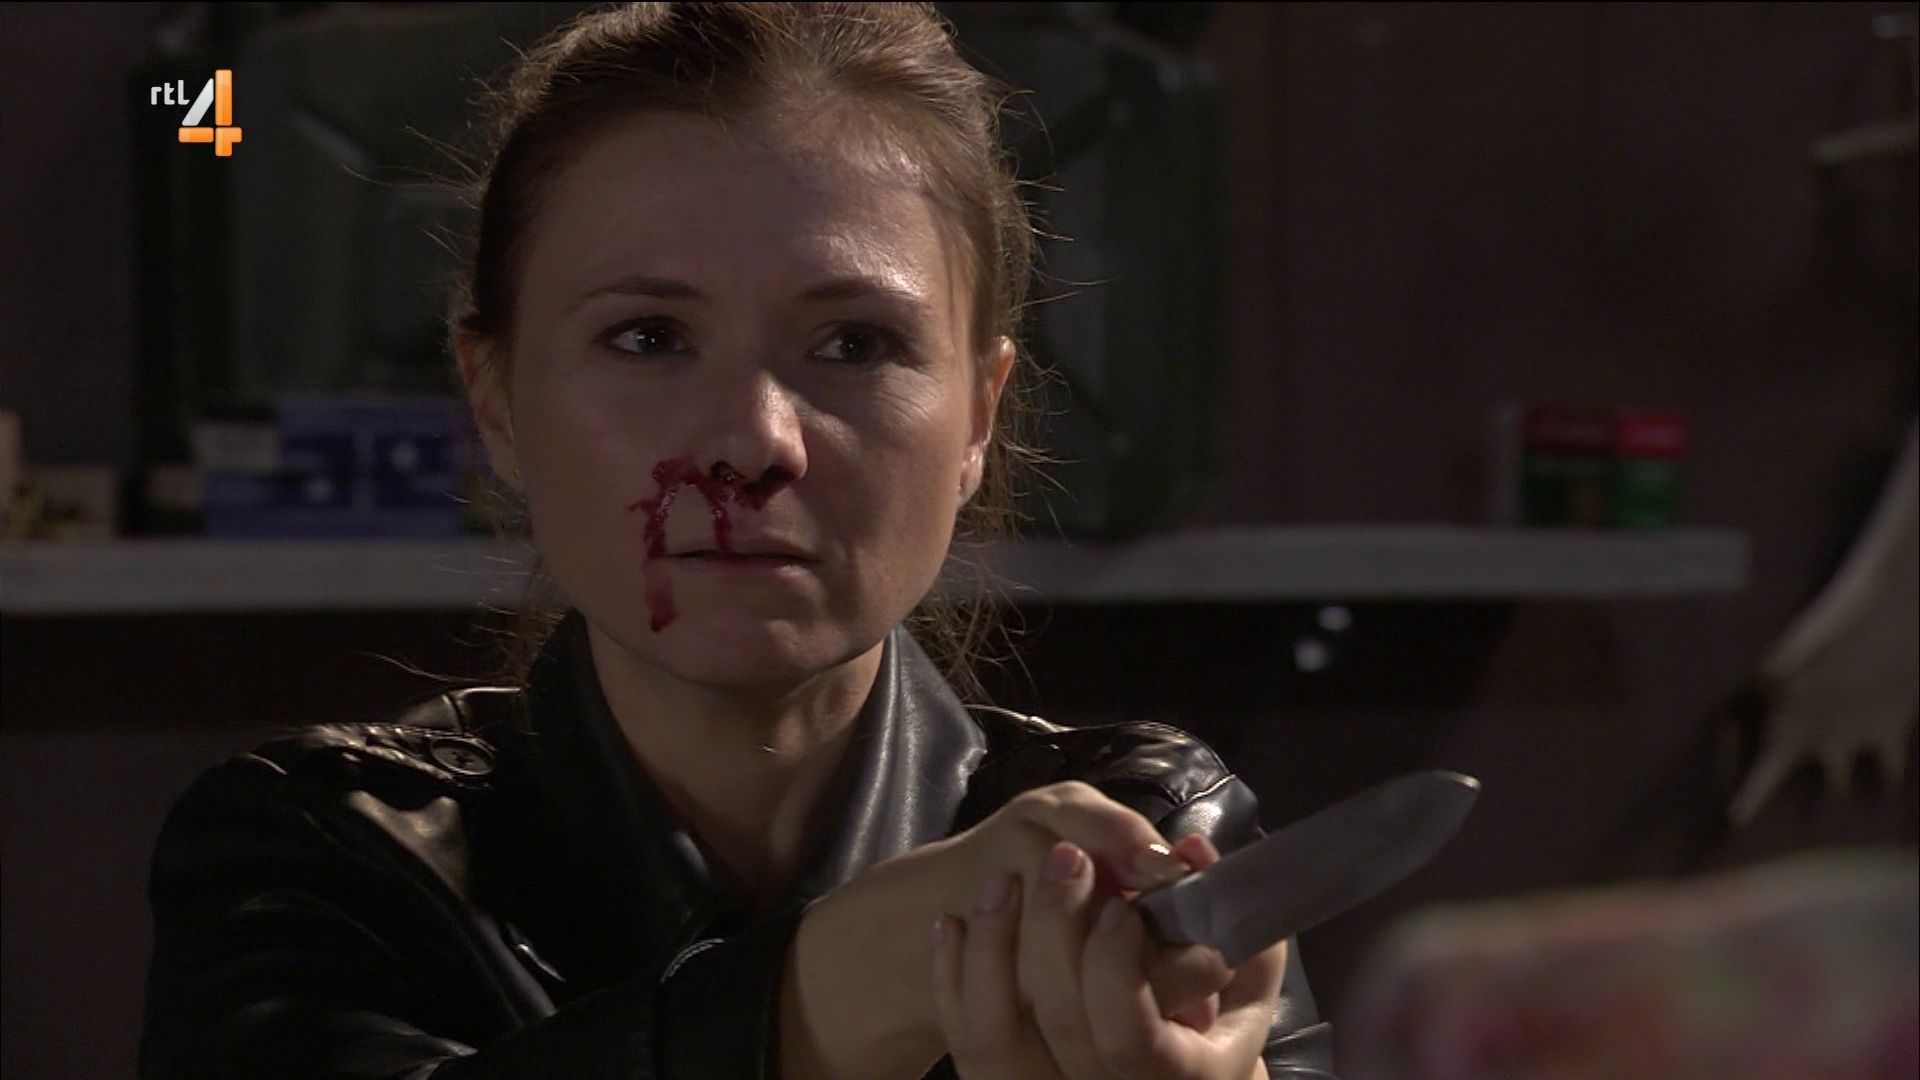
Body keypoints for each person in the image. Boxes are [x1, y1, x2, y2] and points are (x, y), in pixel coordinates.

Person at [138, 4, 1337, 1077]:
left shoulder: (1138, 841)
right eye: (649, 338)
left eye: (856, 343)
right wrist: (864, 975)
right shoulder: (327, 856)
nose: (753, 442)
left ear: (980, 415)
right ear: (495, 400)